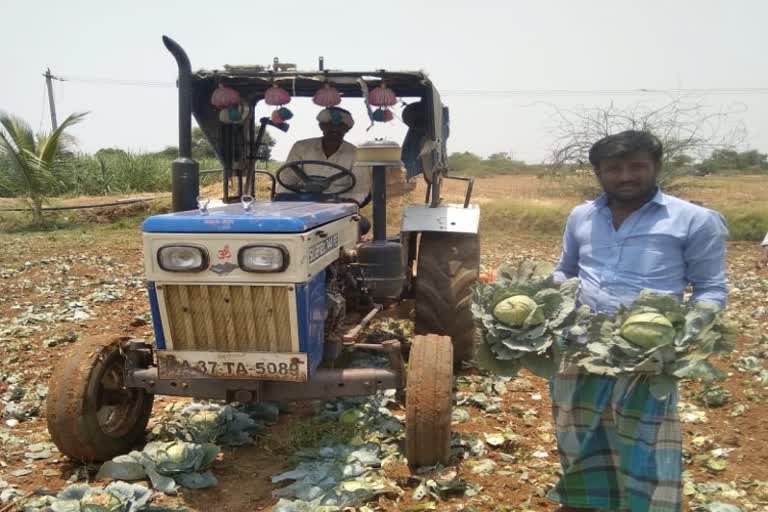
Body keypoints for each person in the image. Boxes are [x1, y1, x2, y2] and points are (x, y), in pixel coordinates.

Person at [549, 130, 728, 512]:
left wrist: (684, 334)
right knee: (577, 432)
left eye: (637, 167)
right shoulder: (582, 215)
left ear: (656, 167)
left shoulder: (694, 220)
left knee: (645, 440)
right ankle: (586, 501)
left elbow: (711, 288)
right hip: (580, 344)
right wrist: (547, 298)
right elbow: (565, 270)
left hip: (647, 353)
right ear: (598, 172)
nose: (625, 176)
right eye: (614, 168)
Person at [277, 106, 370, 205]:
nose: (334, 129)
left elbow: (360, 189)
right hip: (301, 202)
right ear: (321, 126)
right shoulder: (301, 147)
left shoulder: (356, 153)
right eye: (329, 124)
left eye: (340, 125)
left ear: (347, 129)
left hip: (338, 203)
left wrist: (350, 203)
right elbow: (287, 181)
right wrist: (282, 202)